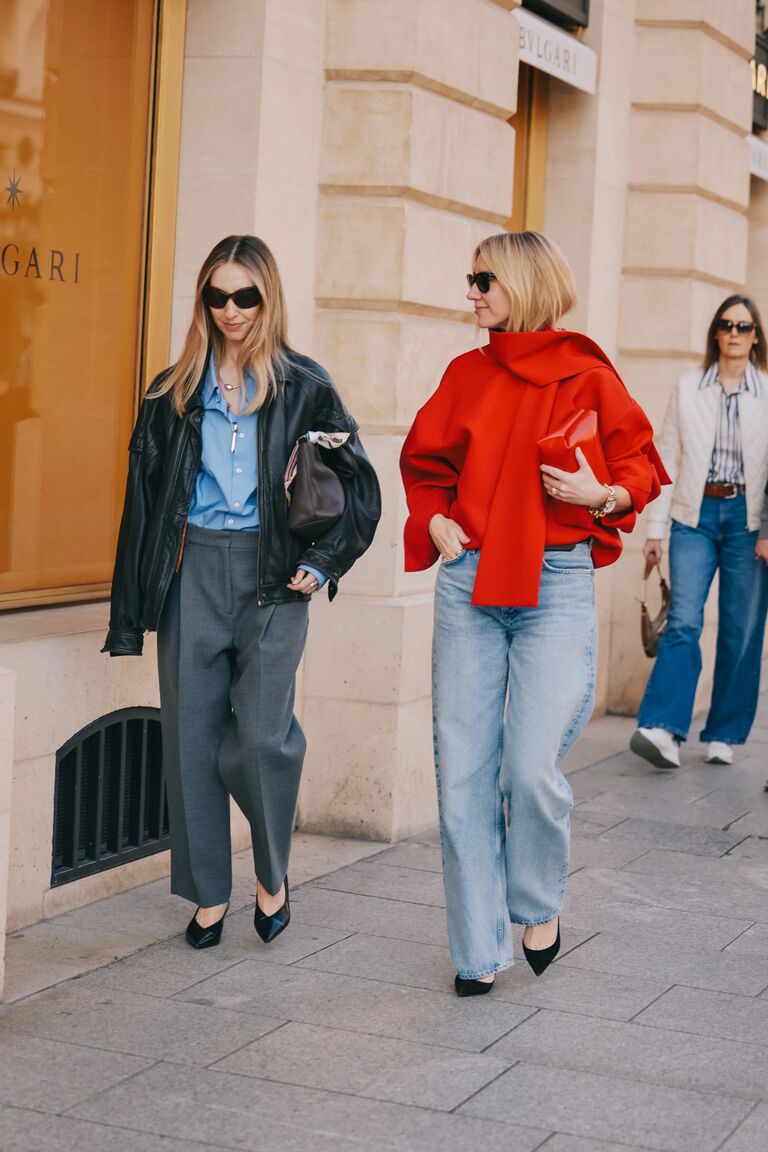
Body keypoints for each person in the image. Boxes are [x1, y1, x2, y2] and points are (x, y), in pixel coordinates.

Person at [400, 231, 667, 996]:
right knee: (463, 780)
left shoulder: (586, 372)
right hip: (469, 582)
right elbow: (424, 466)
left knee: (529, 767)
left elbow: (639, 465)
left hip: (554, 582)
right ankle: (478, 951)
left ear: (522, 282)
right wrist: (435, 522)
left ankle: (538, 898)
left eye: (483, 279)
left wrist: (603, 496)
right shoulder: (464, 374)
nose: (471, 293)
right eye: (470, 277)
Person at [103, 235, 381, 949]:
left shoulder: (304, 386)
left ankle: (271, 871)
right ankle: (205, 894)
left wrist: (321, 562)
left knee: (261, 738)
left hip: (272, 576)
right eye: (217, 296)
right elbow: (143, 505)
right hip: (191, 570)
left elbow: (359, 491)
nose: (230, 310)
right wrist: (133, 608)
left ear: (268, 297)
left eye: (245, 296)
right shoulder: (173, 392)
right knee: (191, 740)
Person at [631, 295, 768, 771]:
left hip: (747, 523)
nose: (735, 333)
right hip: (694, 516)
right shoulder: (688, 387)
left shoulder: (767, 393)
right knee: (685, 620)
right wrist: (654, 530)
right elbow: (666, 458)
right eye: (727, 325)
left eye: (745, 327)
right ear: (715, 332)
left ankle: (724, 732)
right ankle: (662, 728)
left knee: (741, 630)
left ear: (755, 337)